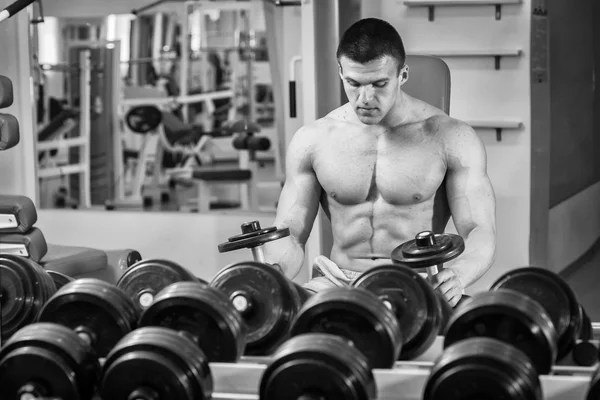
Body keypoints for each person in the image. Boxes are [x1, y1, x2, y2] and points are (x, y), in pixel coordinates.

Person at [263, 18, 496, 307]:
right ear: (341, 73)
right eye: (354, 83)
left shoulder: (450, 138)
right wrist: (271, 273)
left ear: (403, 75)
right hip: (336, 282)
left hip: (418, 285)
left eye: (379, 83)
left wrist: (459, 275)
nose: (365, 98)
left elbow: (479, 230)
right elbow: (291, 233)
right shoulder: (313, 140)